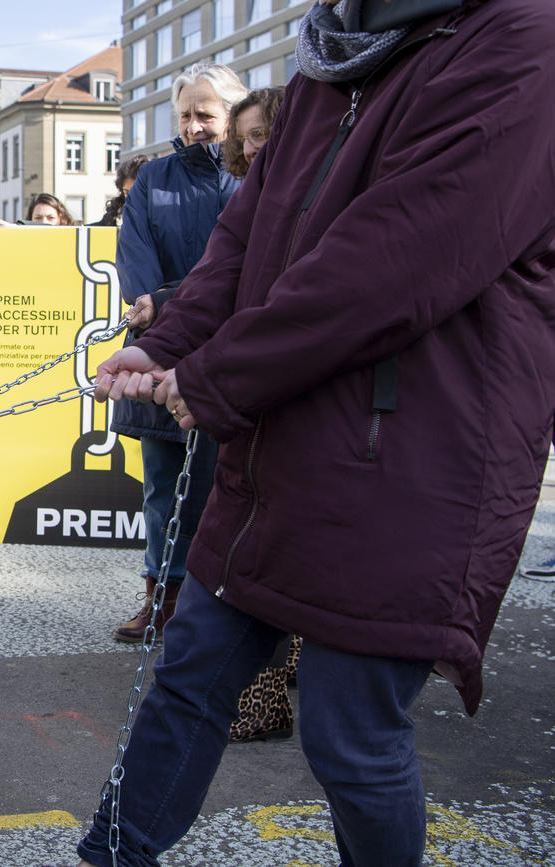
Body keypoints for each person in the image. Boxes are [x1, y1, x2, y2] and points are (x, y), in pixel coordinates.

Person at [77, 0, 555, 864]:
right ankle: (111, 856)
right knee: (188, 676)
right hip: (280, 444)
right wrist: (162, 343)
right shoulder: (329, 58)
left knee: (350, 733)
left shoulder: (524, 39)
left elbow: (395, 258)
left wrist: (217, 376)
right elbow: (242, 243)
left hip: (412, 456)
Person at [107, 61, 246, 644]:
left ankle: (229, 610)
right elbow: (135, 266)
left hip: (237, 354)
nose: (194, 126)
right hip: (160, 354)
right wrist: (158, 310)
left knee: (234, 487)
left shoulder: (255, 179)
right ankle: (160, 599)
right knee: (165, 488)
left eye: (205, 115)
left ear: (233, 117)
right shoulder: (154, 180)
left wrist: (173, 305)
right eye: (185, 115)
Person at [221, 84, 298, 745]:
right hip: (246, 398)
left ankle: (266, 700)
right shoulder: (247, 202)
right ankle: (260, 694)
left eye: (263, 135)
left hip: (290, 395)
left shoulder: (309, 204)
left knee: (277, 556)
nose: (252, 148)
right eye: (243, 137)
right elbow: (214, 278)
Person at [222, 86, 285, 180]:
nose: (247, 150)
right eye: (241, 140)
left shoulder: (312, 187)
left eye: (258, 134)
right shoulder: (250, 192)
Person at [0, 192, 75, 239]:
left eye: (50, 218)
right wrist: (0, 235)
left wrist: (12, 230)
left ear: (60, 218)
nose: (44, 222)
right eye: (38, 218)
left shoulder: (74, 242)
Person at [92, 154, 150, 227]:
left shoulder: (162, 220)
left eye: (137, 192)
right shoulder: (112, 219)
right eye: (126, 192)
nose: (130, 198)